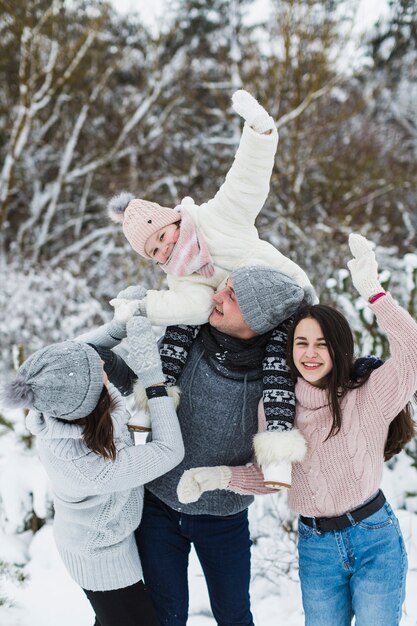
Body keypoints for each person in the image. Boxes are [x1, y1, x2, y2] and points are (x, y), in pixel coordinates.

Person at [181, 234, 417, 626]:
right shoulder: (276, 406)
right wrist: (219, 477)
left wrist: (374, 293)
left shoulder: (368, 395)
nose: (310, 353)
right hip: (316, 546)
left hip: (374, 537)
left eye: (321, 344)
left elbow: (412, 353)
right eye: (301, 343)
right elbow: (273, 478)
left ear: (339, 349)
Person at [107, 89, 317, 486]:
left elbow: (245, 183)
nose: (165, 248)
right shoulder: (180, 275)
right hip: (229, 310)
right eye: (155, 251)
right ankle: (152, 403)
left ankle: (278, 451)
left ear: (173, 219)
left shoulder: (216, 219)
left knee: (276, 367)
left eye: (163, 236)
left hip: (284, 300)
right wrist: (143, 305)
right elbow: (193, 304)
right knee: (179, 330)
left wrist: (258, 131)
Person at [132, 265, 311, 626]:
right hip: (158, 507)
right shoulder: (185, 340)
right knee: (165, 616)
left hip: (225, 517)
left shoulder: (279, 376)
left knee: (234, 616)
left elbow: (275, 467)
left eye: (231, 297)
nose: (216, 296)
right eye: (223, 288)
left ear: (258, 320)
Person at [0, 314, 184, 626]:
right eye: (99, 372)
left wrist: (118, 325)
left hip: (106, 534)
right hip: (102, 558)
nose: (104, 367)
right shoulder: (88, 467)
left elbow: (80, 351)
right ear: (90, 400)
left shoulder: (61, 399)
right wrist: (153, 378)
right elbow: (169, 451)